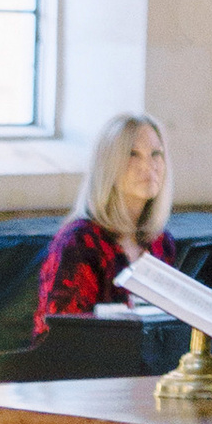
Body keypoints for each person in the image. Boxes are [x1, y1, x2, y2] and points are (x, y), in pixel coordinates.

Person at [36, 114, 173, 327]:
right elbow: (62, 338)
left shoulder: (161, 243)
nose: (148, 165)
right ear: (107, 166)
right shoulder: (78, 242)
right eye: (132, 154)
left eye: (156, 154)